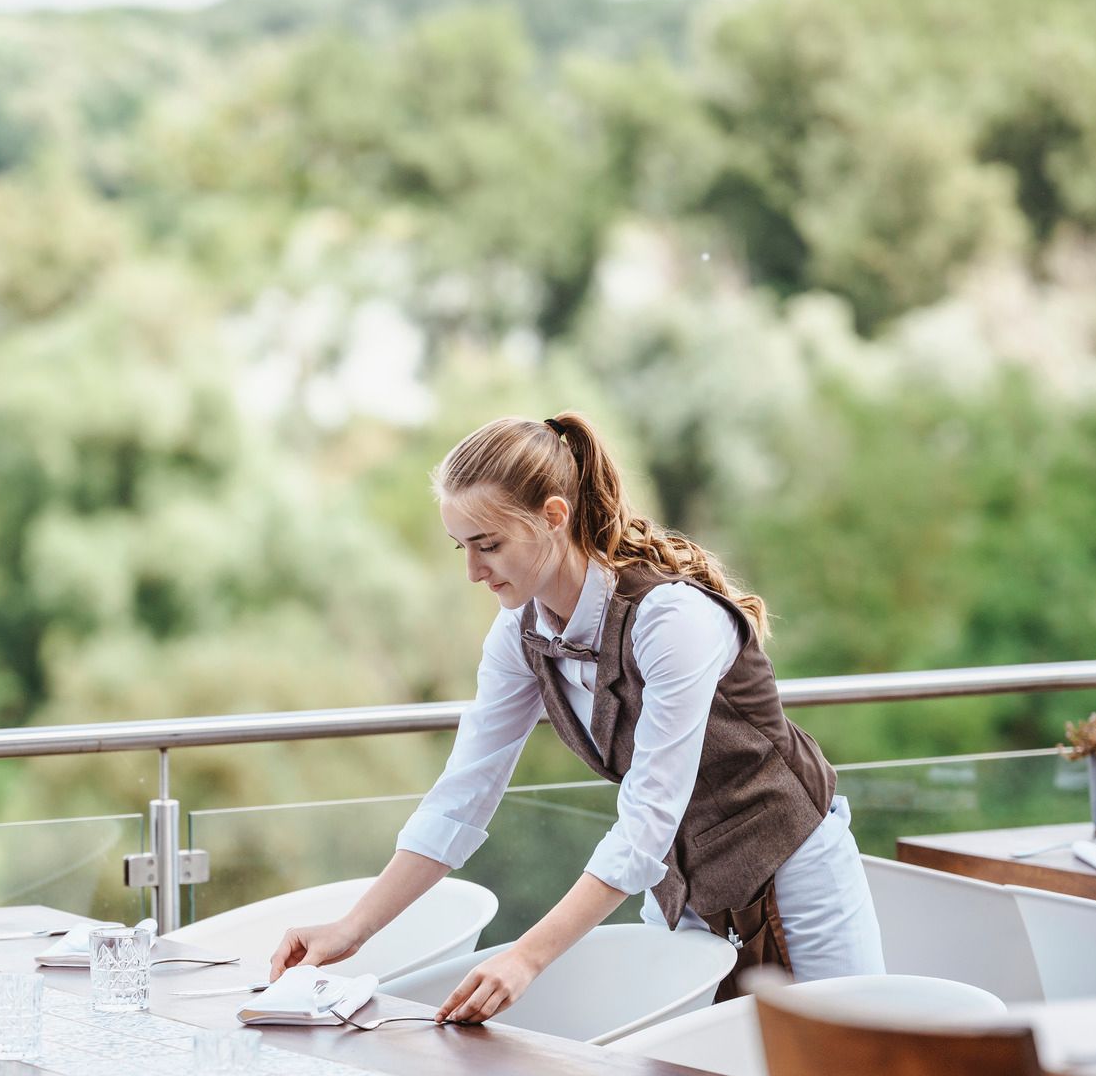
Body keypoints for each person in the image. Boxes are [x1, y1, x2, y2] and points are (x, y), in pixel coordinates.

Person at [271, 412, 881, 1021]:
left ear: (554, 517)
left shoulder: (671, 620)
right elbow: (461, 797)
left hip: (794, 871)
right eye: (462, 547)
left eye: (489, 545)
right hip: (679, 892)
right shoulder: (521, 633)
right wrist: (352, 930)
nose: (473, 571)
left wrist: (527, 957)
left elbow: (646, 820)